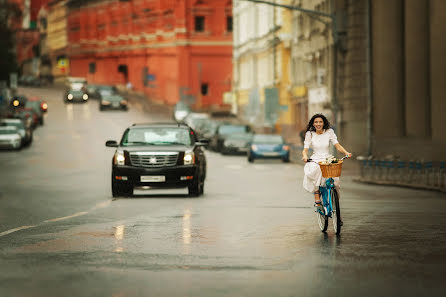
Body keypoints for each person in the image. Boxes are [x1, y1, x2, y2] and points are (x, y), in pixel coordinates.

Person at [301, 114, 352, 209]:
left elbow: (337, 145)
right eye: (316, 122)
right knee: (316, 170)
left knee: (336, 182)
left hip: (327, 158)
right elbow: (305, 149)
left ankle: (336, 206)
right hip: (316, 158)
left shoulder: (329, 132)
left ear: (324, 123)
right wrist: (304, 156)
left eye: (320, 121)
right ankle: (317, 198)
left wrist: (346, 152)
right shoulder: (310, 134)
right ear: (313, 123)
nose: (318, 124)